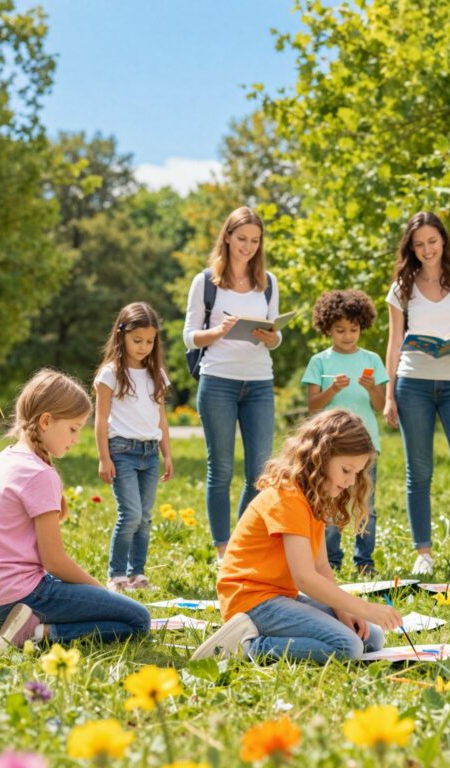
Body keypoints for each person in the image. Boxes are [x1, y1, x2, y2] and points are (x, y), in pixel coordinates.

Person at [192, 409, 404, 663]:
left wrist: (344, 609)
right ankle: (247, 646)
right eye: (346, 470)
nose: (351, 481)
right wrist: (365, 608)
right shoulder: (289, 496)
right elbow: (304, 578)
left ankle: (264, 637)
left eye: (357, 473)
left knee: (371, 638)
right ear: (322, 457)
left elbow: (321, 566)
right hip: (251, 601)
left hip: (280, 597)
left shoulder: (315, 497)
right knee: (347, 647)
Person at [0, 369, 150, 654]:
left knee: (104, 606)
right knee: (139, 619)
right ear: (46, 421)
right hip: (18, 595)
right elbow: (55, 562)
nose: (76, 438)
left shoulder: (3, 459)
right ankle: (36, 633)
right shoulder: (39, 474)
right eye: (74, 428)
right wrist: (100, 591)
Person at [383, 211, 450, 575]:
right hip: (413, 383)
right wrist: (389, 395)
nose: (427, 249)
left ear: (443, 240)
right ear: (411, 248)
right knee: (419, 470)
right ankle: (422, 552)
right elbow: (395, 342)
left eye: (432, 241)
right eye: (419, 244)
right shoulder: (402, 287)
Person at [183, 207, 280, 562]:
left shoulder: (268, 283)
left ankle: (242, 543)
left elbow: (274, 332)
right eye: (242, 239)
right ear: (227, 236)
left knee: (259, 472)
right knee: (220, 468)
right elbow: (189, 336)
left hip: (259, 383)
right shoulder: (206, 282)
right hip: (218, 380)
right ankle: (223, 550)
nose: (248, 247)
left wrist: (272, 339)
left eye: (255, 241)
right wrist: (218, 331)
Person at [301, 289, 388, 575]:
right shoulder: (320, 361)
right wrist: (333, 390)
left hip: (366, 445)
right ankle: (332, 560)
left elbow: (379, 403)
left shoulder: (372, 360)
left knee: (367, 505)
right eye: (340, 330)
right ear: (327, 328)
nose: (348, 335)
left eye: (353, 329)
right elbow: (313, 405)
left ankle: (364, 562)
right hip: (330, 447)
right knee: (328, 504)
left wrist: (372, 388)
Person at [95, 302, 173, 592]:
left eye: (150, 341)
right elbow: (101, 419)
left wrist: (167, 454)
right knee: (131, 515)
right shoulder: (110, 374)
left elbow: (161, 418)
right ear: (121, 335)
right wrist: (104, 458)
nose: (143, 347)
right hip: (122, 452)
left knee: (146, 517)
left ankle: (137, 575)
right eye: (137, 340)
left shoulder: (157, 375)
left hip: (150, 453)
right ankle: (116, 576)